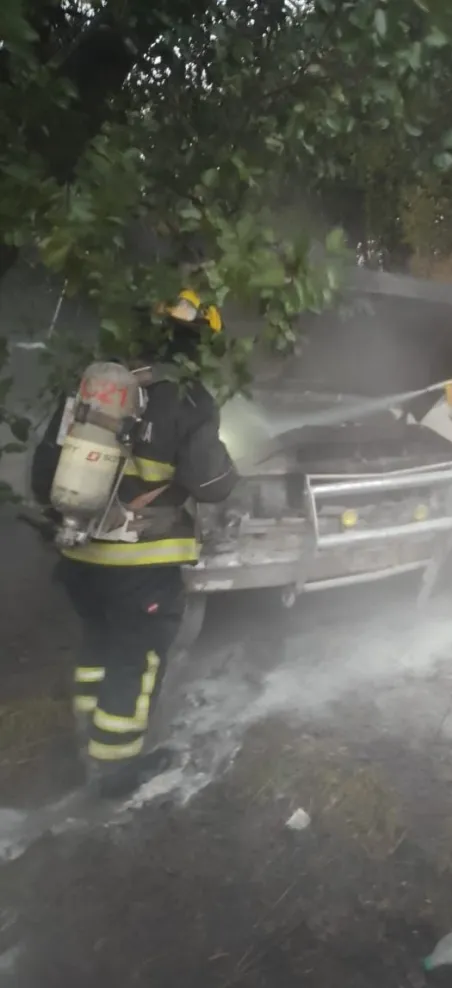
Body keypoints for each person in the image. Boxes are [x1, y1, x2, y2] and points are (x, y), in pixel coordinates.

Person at [31, 289, 237, 798]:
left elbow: (42, 478)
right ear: (197, 342)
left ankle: (87, 737)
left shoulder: (89, 389)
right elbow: (211, 486)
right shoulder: (188, 398)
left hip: (79, 556)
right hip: (140, 567)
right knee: (135, 659)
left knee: (98, 645)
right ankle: (114, 772)